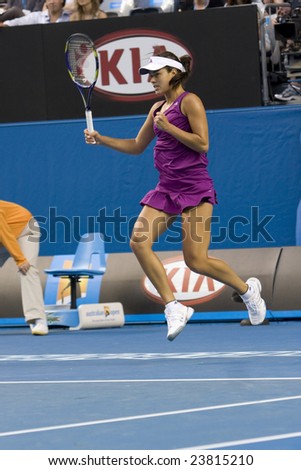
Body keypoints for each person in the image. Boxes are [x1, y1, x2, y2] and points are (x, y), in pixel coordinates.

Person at [84, 51, 267, 341]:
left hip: (194, 189)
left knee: (196, 261)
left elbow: (202, 143)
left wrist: (169, 127)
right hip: (167, 189)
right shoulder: (157, 108)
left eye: (156, 73)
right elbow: (136, 145)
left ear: (174, 73)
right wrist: (101, 139)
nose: (151, 79)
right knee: (139, 242)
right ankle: (173, 306)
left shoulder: (190, 102)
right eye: (149, 74)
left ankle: (248, 292)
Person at [0, 200, 48, 335]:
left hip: (26, 229)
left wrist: (20, 259)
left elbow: (5, 234)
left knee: (27, 269)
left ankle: (38, 319)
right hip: (5, 237)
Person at [0, 0, 69, 25]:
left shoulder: (70, 18)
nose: (52, 2)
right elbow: (19, 22)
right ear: (46, 2)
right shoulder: (37, 17)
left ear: (62, 0)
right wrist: (5, 24)